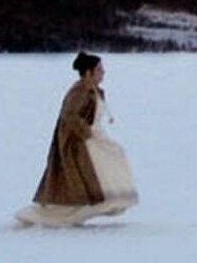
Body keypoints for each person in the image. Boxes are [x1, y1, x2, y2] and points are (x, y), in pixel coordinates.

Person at [15, 52, 139, 227]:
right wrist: (87, 133)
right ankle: (49, 215)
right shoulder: (80, 91)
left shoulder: (91, 90)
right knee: (98, 170)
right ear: (88, 72)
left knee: (113, 160)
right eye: (99, 70)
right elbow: (69, 116)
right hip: (81, 143)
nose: (103, 73)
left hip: (91, 139)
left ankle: (108, 202)